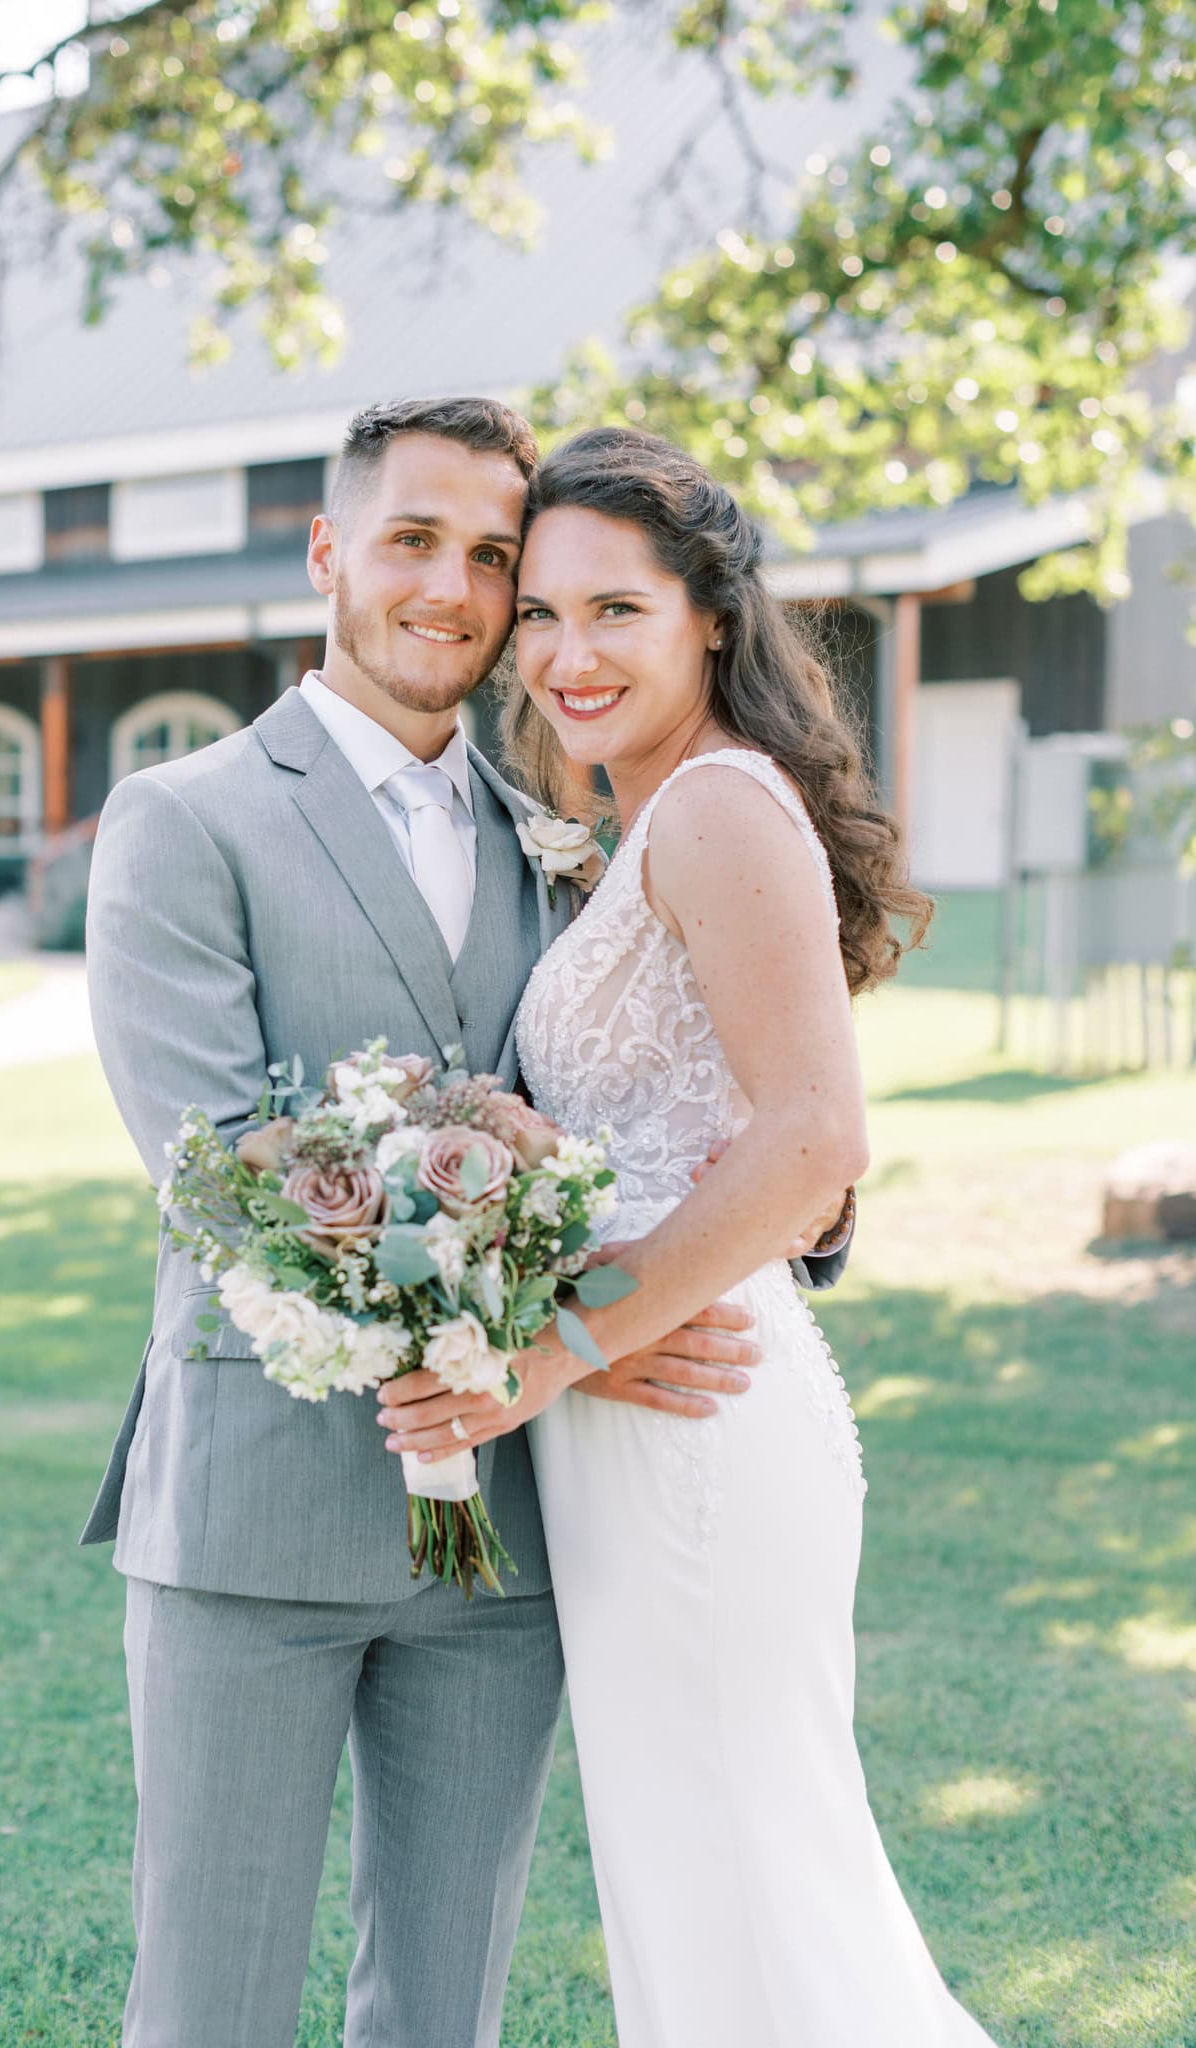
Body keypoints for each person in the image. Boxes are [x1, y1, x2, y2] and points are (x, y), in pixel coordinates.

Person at [80, 396, 851, 2047]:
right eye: (412, 539)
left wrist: (620, 1324)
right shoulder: (184, 817)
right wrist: (555, 1333)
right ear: (328, 553)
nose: (453, 586)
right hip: (256, 1521)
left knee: (443, 2013)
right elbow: (221, 1170)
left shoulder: (559, 834)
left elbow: (719, 1098)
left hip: (506, 1536)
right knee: (207, 2004)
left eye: (491, 555)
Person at [381, 427, 1004, 2046]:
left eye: (615, 613)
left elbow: (816, 1139)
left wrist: (553, 1349)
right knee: (697, 1891)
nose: (566, 656)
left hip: (697, 1435)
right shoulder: (647, 816)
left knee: (762, 1884)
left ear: (708, 619)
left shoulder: (719, 804)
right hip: (631, 1426)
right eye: (541, 619)